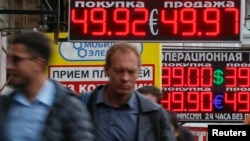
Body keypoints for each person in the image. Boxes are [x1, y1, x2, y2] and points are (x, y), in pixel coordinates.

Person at [0, 31, 95, 141]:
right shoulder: (5, 105)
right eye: (9, 60)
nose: (10, 66)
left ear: (38, 63)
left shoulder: (70, 108)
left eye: (17, 60)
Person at [81, 42, 175, 141]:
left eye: (131, 72)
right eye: (119, 71)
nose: (125, 78)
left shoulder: (154, 114)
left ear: (138, 72)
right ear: (106, 70)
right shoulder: (82, 105)